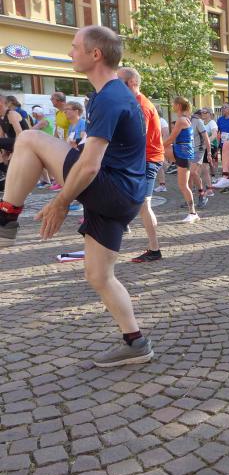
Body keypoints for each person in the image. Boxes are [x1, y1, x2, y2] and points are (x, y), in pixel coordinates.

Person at [0, 25, 154, 366]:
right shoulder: (105, 96)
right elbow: (94, 151)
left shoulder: (111, 97)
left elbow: (89, 166)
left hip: (112, 189)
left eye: (74, 46)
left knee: (28, 139)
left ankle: (6, 219)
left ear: (95, 54)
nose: (69, 52)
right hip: (122, 195)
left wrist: (61, 201)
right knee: (98, 275)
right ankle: (136, 343)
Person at [118, 67, 165, 263]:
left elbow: (138, 137)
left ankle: (154, 250)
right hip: (140, 158)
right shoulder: (132, 103)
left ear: (131, 83)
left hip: (148, 159)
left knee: (144, 203)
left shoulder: (141, 105)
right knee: (132, 199)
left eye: (118, 81)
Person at [163, 97, 199, 223]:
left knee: (183, 186)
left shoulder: (181, 120)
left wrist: (158, 147)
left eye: (173, 104)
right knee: (184, 185)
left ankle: (193, 213)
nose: (172, 106)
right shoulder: (185, 119)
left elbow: (171, 139)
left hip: (183, 154)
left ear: (178, 105)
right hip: (180, 151)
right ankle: (166, 164)